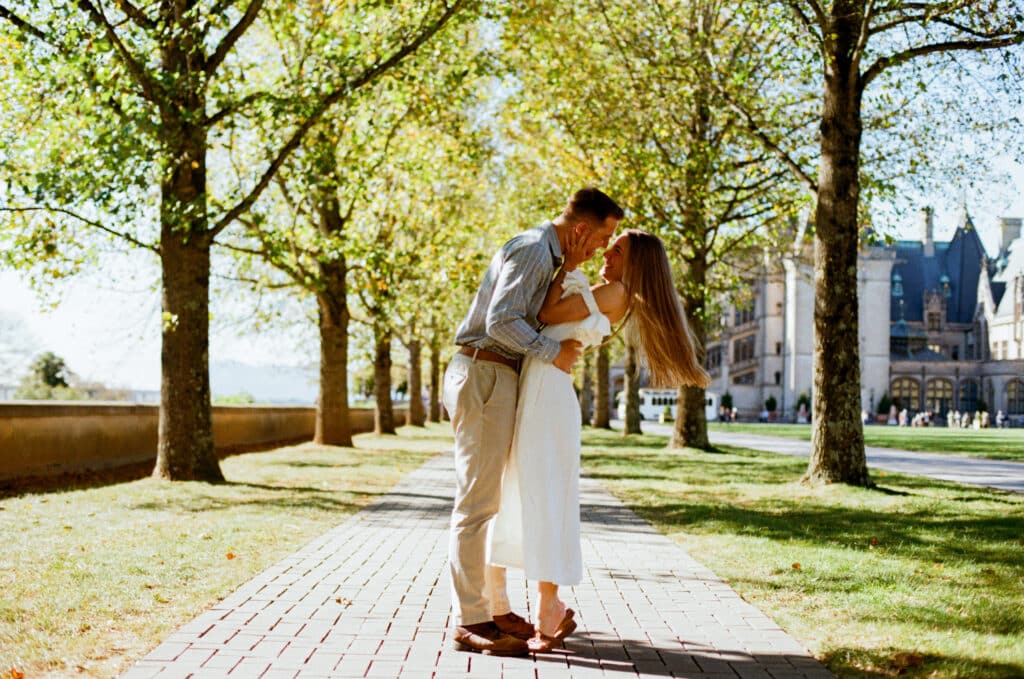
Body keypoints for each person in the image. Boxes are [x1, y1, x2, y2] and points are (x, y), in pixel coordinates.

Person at [488, 229, 711, 651]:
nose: (608, 253)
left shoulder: (614, 292)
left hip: (547, 396)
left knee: (543, 498)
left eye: (618, 249)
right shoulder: (613, 292)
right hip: (545, 389)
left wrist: (568, 266)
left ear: (636, 262)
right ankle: (546, 608)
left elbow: (545, 315)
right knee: (537, 495)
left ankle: (548, 609)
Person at [443, 187, 623, 656]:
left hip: (499, 376)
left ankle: (494, 608)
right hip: (484, 371)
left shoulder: (551, 259)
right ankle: (471, 620)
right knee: (477, 503)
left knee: (493, 498)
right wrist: (555, 352)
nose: (603, 249)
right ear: (581, 228)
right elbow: (503, 320)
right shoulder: (532, 250)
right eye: (603, 238)